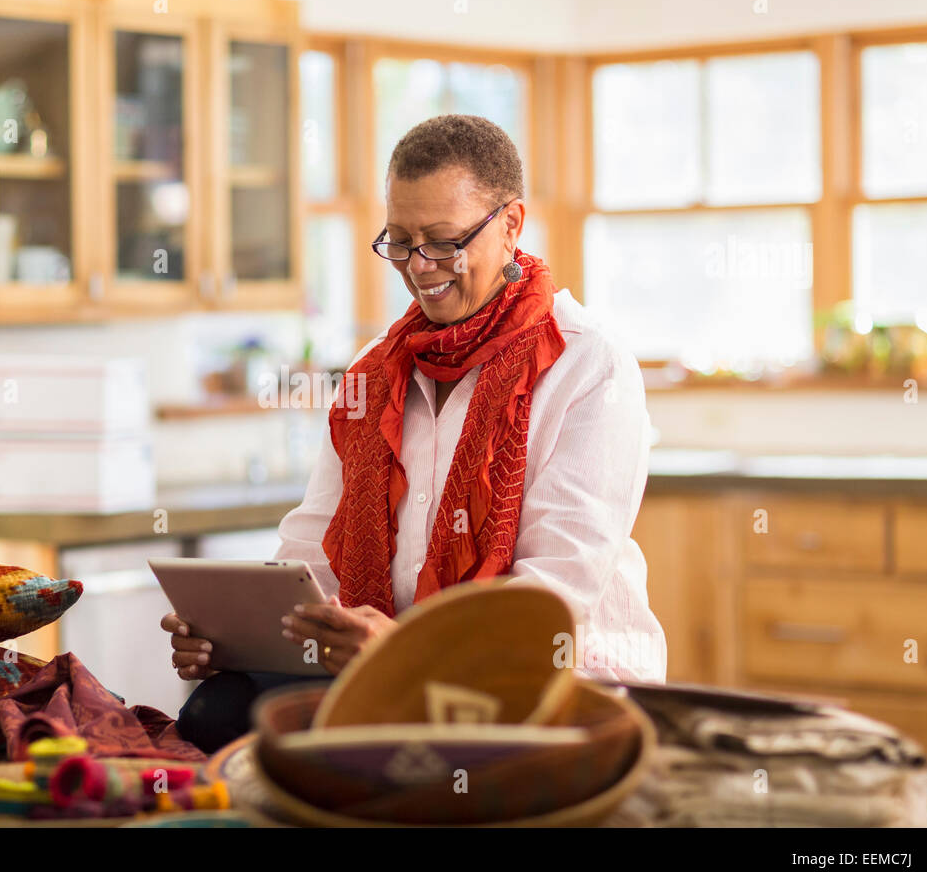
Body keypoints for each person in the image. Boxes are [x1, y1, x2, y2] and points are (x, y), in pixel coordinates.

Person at [163, 114, 666, 752]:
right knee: (216, 714)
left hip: (557, 684)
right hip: (395, 676)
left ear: (511, 224)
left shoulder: (590, 363)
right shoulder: (377, 367)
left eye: (443, 241)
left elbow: (555, 598)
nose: (419, 265)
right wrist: (246, 633)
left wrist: (404, 646)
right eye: (400, 240)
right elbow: (312, 550)